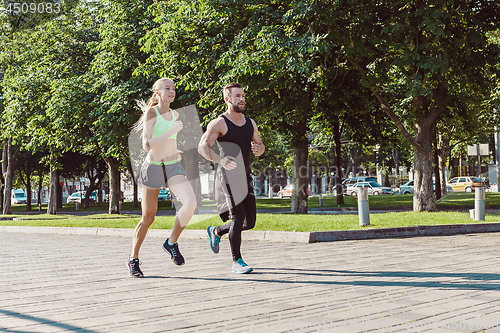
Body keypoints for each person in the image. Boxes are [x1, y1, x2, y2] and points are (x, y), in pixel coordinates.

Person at [127, 78, 197, 278]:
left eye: (173, 88)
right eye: (167, 88)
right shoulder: (152, 112)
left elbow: (168, 142)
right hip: (154, 169)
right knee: (148, 218)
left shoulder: (174, 114)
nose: (172, 91)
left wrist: (176, 150)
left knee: (190, 203)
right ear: (157, 92)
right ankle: (133, 259)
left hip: (172, 167)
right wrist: (171, 131)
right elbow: (147, 144)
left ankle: (171, 242)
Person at [198, 83, 265, 274]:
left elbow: (260, 146)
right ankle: (237, 261)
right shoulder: (219, 123)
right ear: (227, 99)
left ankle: (216, 231)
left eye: (243, 95)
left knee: (249, 222)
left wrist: (259, 149)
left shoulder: (250, 122)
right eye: (237, 96)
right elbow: (202, 147)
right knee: (238, 217)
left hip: (246, 176)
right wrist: (220, 159)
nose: (241, 99)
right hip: (227, 176)